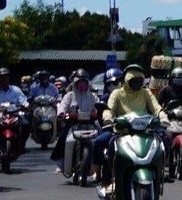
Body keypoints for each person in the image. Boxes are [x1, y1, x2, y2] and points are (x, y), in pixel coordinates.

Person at [94, 63, 165, 191]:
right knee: (103, 143)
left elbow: (156, 107)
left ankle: (160, 175)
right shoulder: (117, 93)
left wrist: (163, 117)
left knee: (163, 140)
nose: (137, 83)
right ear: (126, 80)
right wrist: (108, 119)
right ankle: (109, 179)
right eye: (133, 80)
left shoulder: (146, 93)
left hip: (144, 131)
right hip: (121, 131)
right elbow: (109, 109)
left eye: (139, 80)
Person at [52, 71, 100, 163]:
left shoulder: (92, 96)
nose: (82, 84)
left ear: (87, 83)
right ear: (75, 83)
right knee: (63, 139)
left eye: (84, 82)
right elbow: (63, 106)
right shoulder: (69, 95)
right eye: (79, 82)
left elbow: (97, 107)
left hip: (90, 124)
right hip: (73, 124)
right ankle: (61, 161)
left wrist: (100, 113)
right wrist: (61, 113)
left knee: (101, 140)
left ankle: (99, 166)